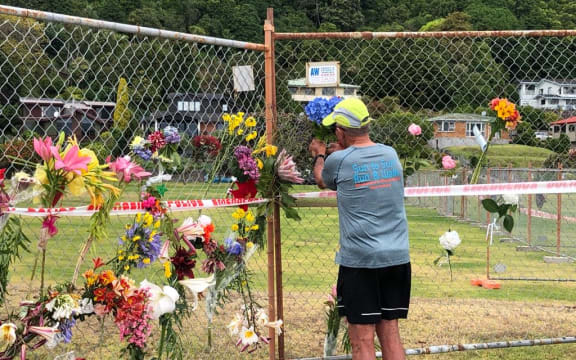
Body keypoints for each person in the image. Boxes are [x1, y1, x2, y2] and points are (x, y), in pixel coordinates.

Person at [309, 98, 410, 360]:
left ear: (341, 132)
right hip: (397, 256)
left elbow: (322, 180)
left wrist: (320, 154)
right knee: (390, 333)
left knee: (362, 340)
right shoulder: (391, 154)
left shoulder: (339, 160)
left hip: (361, 261)